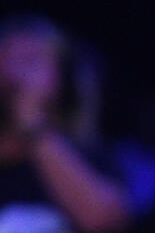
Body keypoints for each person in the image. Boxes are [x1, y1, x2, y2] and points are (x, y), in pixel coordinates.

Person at [0, 15, 131, 232]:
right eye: (7, 60)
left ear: (62, 75)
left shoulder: (89, 155)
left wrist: (32, 124)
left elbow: (104, 220)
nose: (16, 73)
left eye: (30, 61)